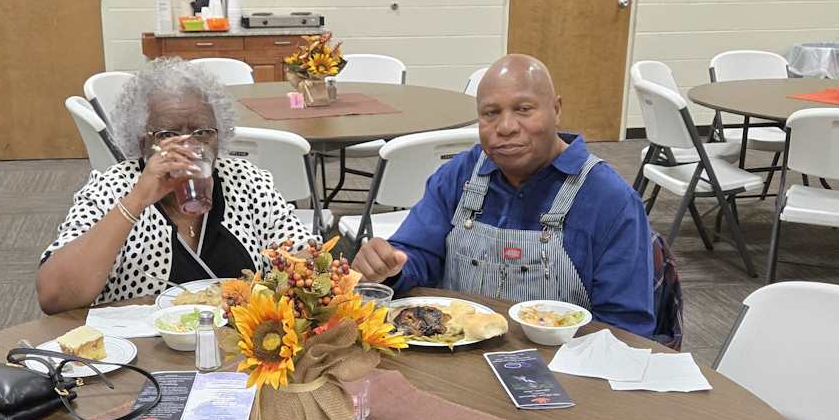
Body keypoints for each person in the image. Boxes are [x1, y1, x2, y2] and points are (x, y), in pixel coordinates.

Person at [352, 54, 655, 337]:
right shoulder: (460, 176)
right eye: (491, 113)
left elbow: (625, 329)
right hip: (459, 360)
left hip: (564, 375)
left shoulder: (609, 200)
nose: (506, 127)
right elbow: (417, 256)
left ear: (557, 110)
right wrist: (389, 267)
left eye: (524, 109)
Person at [37, 58, 312, 314]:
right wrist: (137, 200)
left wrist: (303, 267)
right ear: (141, 140)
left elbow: (305, 257)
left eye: (202, 133)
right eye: (168, 135)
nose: (189, 147)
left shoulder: (246, 181)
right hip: (142, 352)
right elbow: (54, 297)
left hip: (238, 348)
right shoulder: (113, 188)